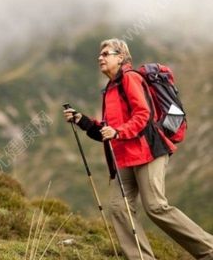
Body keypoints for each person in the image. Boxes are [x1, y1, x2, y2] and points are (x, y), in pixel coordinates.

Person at [63, 38, 213, 260]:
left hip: (147, 152)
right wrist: (81, 120)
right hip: (123, 157)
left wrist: (118, 132)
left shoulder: (130, 78)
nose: (100, 57)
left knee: (155, 207)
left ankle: (208, 249)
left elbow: (143, 115)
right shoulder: (110, 89)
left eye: (106, 53)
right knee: (118, 207)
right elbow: (107, 130)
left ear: (121, 57)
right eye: (100, 54)